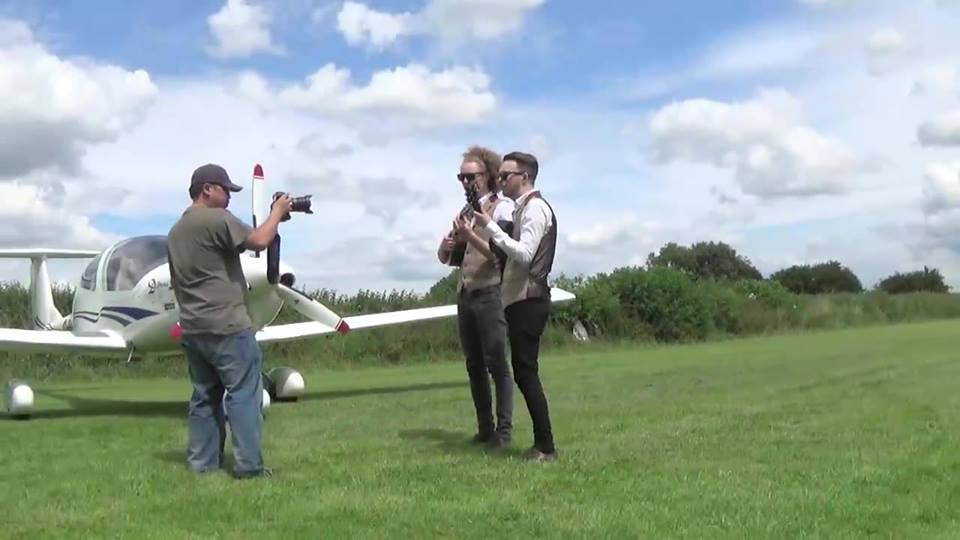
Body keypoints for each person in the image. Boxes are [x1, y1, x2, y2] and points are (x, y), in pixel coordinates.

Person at [166, 163, 292, 479]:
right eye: (225, 189)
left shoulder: (176, 231)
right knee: (243, 396)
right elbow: (260, 240)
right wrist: (277, 213)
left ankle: (202, 464)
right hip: (228, 326)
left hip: (193, 328)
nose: (229, 196)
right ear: (207, 189)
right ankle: (249, 467)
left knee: (204, 397)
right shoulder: (217, 219)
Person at [473, 151, 558, 462]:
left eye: (506, 175)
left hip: (529, 300)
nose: (500, 180)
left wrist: (491, 228)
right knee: (524, 373)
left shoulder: (535, 209)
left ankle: (545, 446)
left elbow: (525, 254)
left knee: (526, 373)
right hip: (520, 300)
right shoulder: (523, 210)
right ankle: (543, 444)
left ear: (525, 176)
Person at [438, 145, 516, 449]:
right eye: (462, 177)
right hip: (467, 293)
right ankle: (485, 429)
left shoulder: (503, 207)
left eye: (471, 177)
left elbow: (502, 255)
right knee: (474, 365)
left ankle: (504, 432)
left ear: (489, 175)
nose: (466, 182)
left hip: (491, 292)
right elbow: (451, 259)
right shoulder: (465, 213)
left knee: (497, 363)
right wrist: (446, 247)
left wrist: (470, 235)